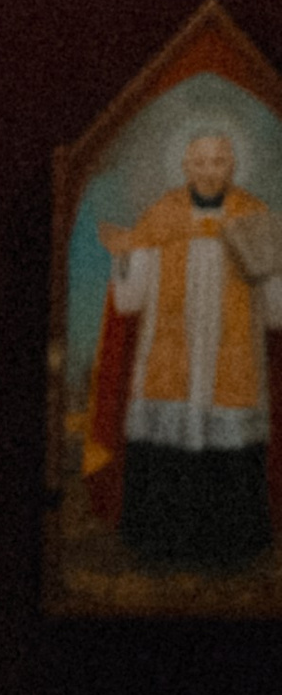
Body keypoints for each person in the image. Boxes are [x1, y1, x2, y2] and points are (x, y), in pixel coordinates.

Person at [85, 125, 282, 572]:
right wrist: (125, 252)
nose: (210, 171)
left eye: (219, 162)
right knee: (165, 456)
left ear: (233, 165)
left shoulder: (254, 216)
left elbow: (276, 315)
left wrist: (274, 269)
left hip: (232, 370)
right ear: (185, 165)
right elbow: (130, 300)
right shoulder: (160, 217)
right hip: (166, 367)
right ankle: (158, 547)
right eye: (200, 162)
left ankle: (232, 552)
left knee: (229, 459)